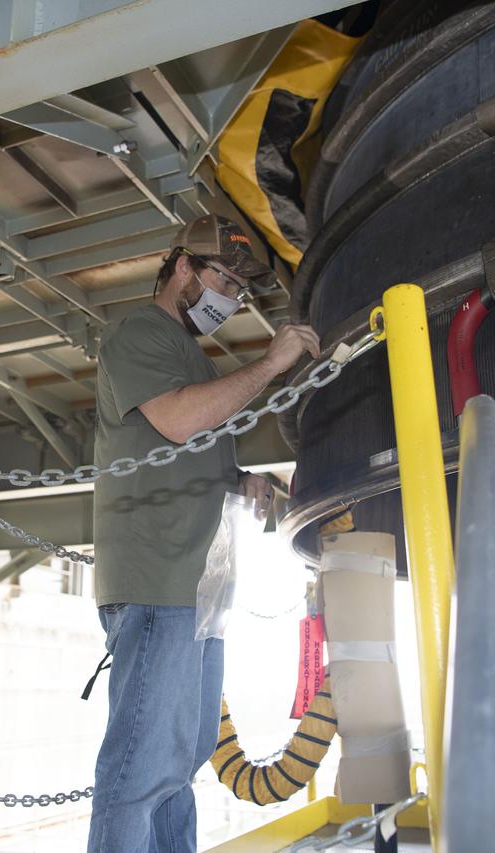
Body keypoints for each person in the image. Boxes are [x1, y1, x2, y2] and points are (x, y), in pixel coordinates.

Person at [87, 214, 321, 852]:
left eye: (241, 291)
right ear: (182, 266)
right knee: (139, 766)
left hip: (199, 589)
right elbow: (177, 422)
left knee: (181, 759)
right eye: (225, 278)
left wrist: (239, 477)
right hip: (158, 579)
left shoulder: (191, 355)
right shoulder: (141, 330)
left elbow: (189, 445)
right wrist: (271, 364)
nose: (231, 298)